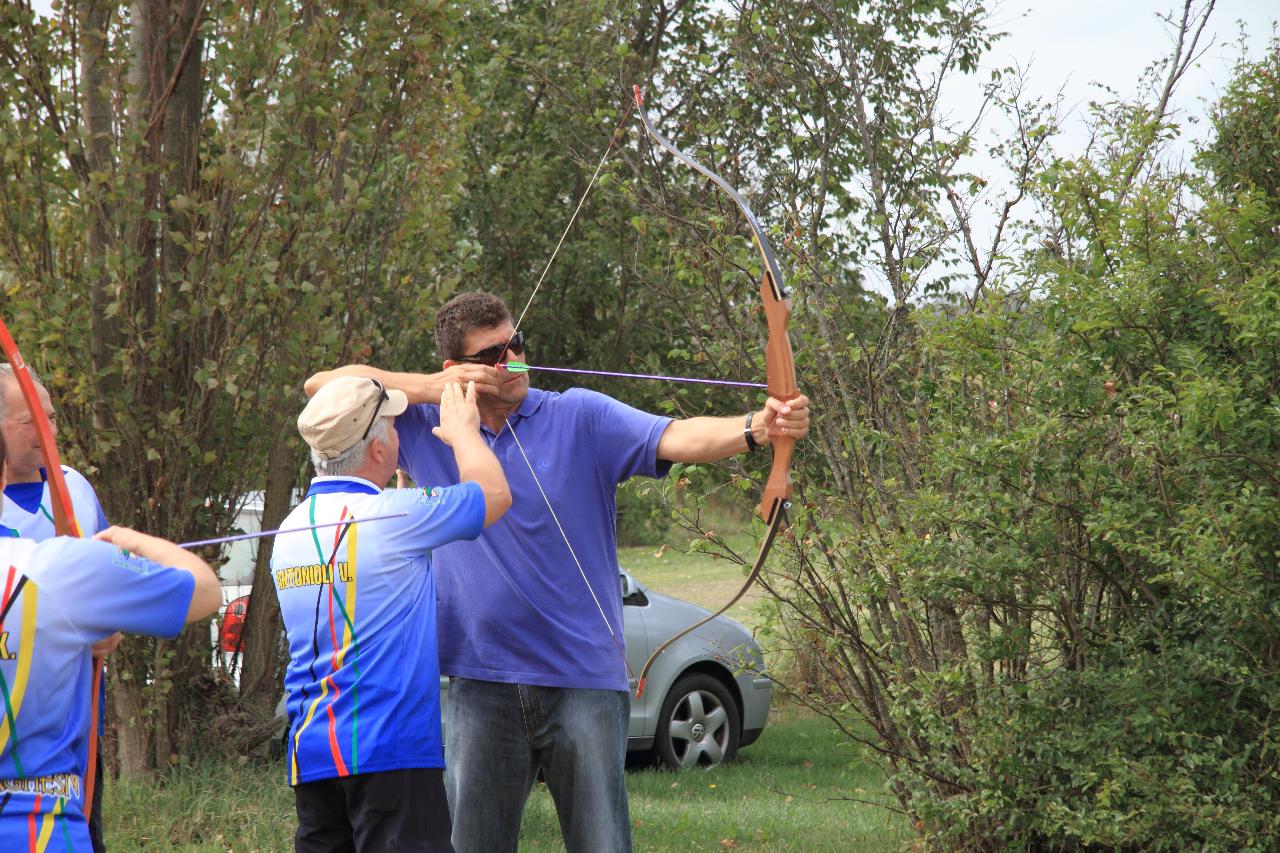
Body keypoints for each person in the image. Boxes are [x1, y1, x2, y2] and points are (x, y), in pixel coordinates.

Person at [305, 291, 811, 853]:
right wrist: (437, 391)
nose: (515, 360)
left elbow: (679, 437)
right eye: (495, 354)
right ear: (460, 369)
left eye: (517, 344)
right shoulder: (428, 424)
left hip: (583, 682)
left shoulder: (578, 414)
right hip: (479, 683)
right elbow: (324, 387)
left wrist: (759, 427)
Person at [273, 375, 511, 853]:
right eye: (394, 427)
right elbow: (494, 495)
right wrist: (465, 432)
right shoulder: (395, 517)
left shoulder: (290, 528)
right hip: (390, 750)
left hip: (313, 755)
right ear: (378, 450)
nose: (402, 436)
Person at [0, 433, 222, 852]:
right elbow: (205, 590)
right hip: (37, 829)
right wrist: (129, 541)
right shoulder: (60, 566)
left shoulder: (63, 548)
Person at [0, 363, 115, 852]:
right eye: (30, 421)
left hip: (76, 732)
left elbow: (108, 580)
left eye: (50, 416)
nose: (47, 432)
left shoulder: (75, 488)